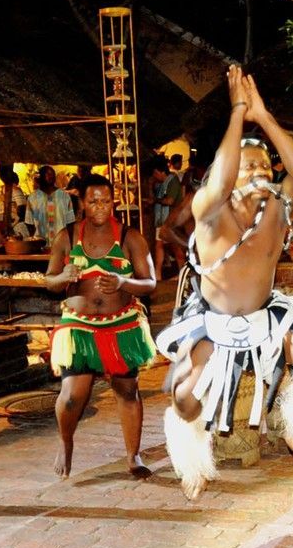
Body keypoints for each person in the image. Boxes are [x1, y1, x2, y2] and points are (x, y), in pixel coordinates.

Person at [155, 65, 293, 500]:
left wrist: (263, 117)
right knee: (184, 398)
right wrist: (237, 112)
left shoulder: (277, 209)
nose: (261, 172)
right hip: (213, 323)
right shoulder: (211, 212)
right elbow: (224, 177)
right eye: (250, 167)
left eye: (266, 165)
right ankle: (195, 461)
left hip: (267, 317)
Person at [44, 174, 157, 480]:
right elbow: (49, 280)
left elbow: (150, 283)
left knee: (127, 390)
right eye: (92, 201)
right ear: (82, 202)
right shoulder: (67, 236)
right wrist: (63, 276)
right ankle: (65, 441)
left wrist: (124, 281)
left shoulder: (130, 237)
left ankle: (133, 456)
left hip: (120, 324)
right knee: (71, 396)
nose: (99, 207)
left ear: (114, 201)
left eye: (105, 201)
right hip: (78, 326)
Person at [150, 155, 184, 280]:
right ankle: (158, 273)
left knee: (175, 247)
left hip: (171, 220)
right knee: (159, 245)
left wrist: (155, 200)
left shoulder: (173, 181)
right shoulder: (162, 184)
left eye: (155, 173)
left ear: (160, 171)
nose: (154, 176)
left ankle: (182, 272)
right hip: (162, 221)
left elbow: (170, 201)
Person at [26, 165, 75, 246]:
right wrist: (35, 240)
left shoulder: (64, 196)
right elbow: (29, 223)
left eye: (52, 174)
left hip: (61, 244)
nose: (51, 176)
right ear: (41, 177)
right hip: (40, 245)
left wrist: (70, 243)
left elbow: (70, 222)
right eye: (47, 174)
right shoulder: (32, 198)